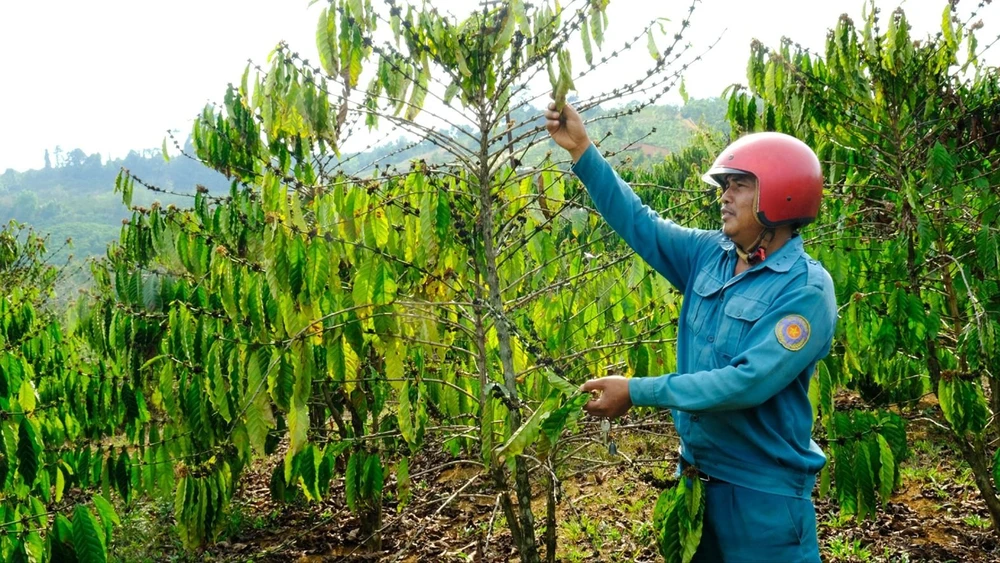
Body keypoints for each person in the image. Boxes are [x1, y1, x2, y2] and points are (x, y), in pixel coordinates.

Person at [545, 101, 837, 562]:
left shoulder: (806, 290)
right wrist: (583, 149)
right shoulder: (711, 254)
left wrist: (637, 391)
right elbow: (641, 224)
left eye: (739, 186)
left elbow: (746, 382)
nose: (724, 196)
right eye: (725, 185)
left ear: (781, 194)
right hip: (697, 480)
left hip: (763, 496)